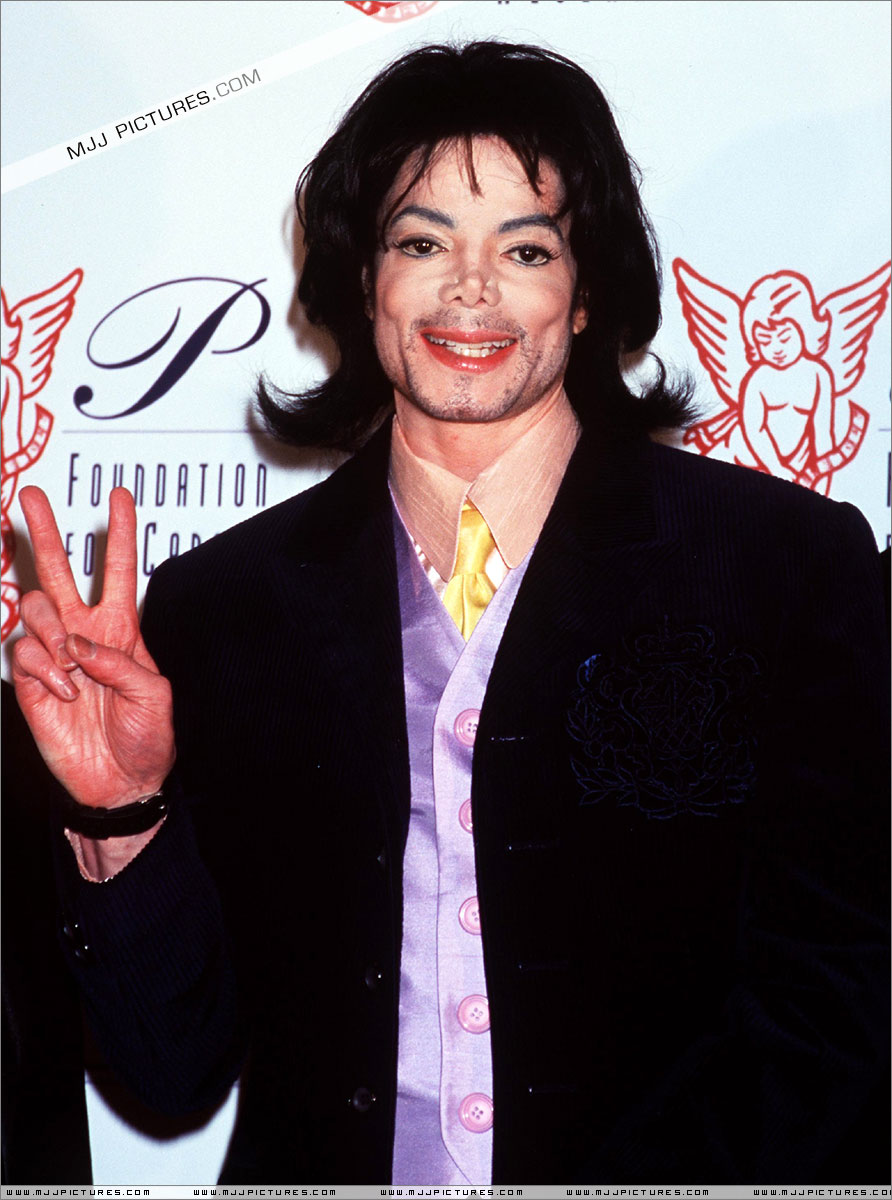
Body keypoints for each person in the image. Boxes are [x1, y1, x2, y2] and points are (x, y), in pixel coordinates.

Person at [10, 42, 889, 1184]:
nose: (469, 290)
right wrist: (121, 812)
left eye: (525, 249)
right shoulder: (222, 607)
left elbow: (840, 1004)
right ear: (361, 281)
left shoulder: (785, 566)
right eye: (421, 243)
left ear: (585, 296)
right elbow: (171, 1075)